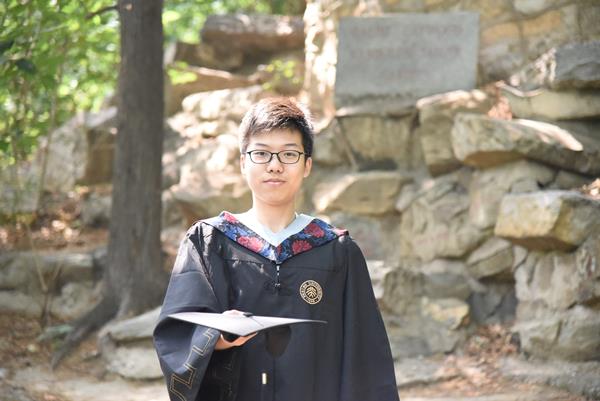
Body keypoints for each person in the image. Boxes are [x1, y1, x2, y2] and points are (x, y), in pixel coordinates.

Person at [153, 97, 400, 401]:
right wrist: (218, 336)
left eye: (289, 154)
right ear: (243, 163)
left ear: (307, 165)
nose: (275, 165)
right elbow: (177, 332)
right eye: (261, 153)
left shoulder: (337, 251)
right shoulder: (208, 243)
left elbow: (366, 357)